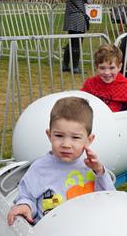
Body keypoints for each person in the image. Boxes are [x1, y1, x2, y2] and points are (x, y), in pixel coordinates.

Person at [7, 96, 115, 226]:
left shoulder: (91, 167)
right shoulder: (40, 168)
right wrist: (25, 206)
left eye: (75, 137)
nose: (66, 144)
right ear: (49, 135)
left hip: (85, 230)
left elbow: (109, 198)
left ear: (89, 140)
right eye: (59, 135)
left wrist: (99, 171)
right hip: (50, 233)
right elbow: (26, 197)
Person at [80, 44, 127, 116]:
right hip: (95, 118)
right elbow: (80, 98)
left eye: (112, 68)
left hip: (115, 119)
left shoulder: (124, 84)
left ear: (119, 67)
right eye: (102, 68)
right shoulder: (91, 83)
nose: (107, 72)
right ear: (96, 67)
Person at [62, 0, 90, 73]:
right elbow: (89, 0)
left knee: (71, 42)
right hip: (78, 18)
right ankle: (75, 67)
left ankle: (65, 65)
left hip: (70, 18)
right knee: (77, 43)